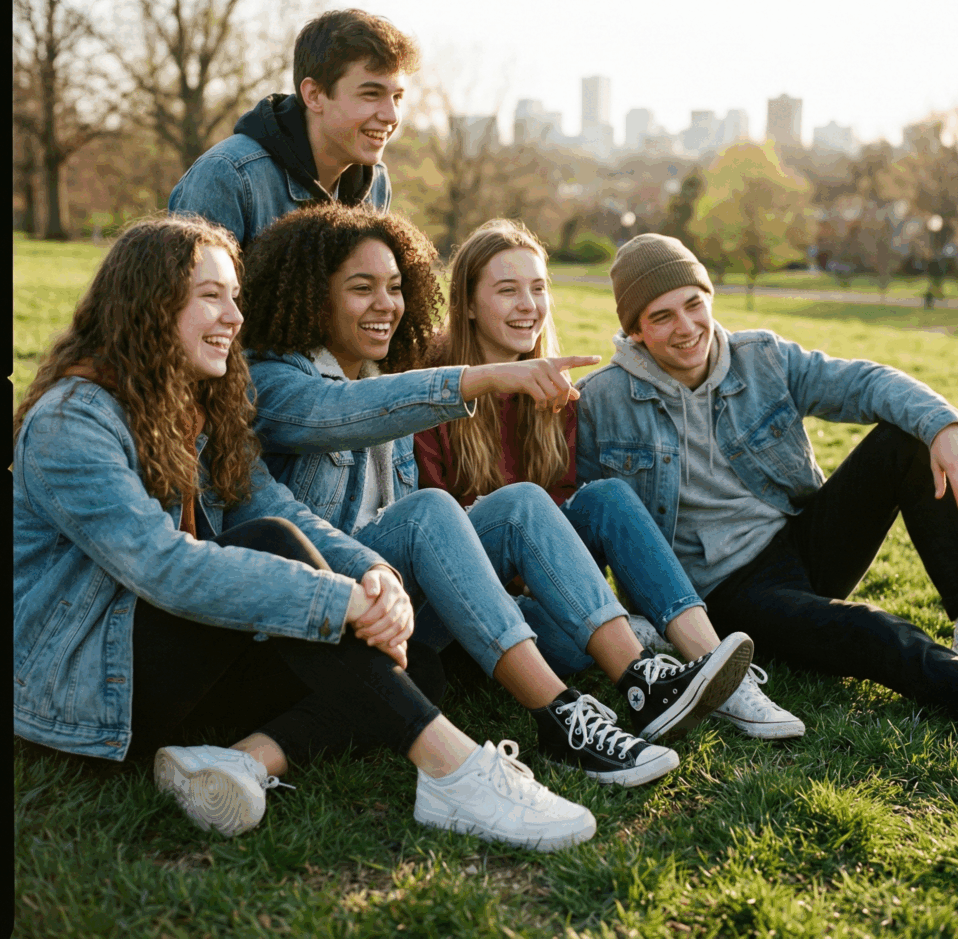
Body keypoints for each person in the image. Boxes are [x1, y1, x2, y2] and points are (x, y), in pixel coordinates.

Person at [13, 213, 601, 852]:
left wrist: (374, 575)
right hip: (86, 693)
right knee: (271, 547)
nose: (235, 318)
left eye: (235, 298)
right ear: (148, 304)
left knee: (416, 671)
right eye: (211, 296)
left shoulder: (194, 408)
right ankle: (455, 772)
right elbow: (166, 568)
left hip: (172, 682)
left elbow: (277, 504)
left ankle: (239, 762)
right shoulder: (73, 421)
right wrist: (337, 599)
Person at [241, 205, 753, 786]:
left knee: (524, 503)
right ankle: (562, 719)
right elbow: (344, 417)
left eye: (394, 287)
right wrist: (486, 377)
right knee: (431, 511)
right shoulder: (277, 381)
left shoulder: (380, 371)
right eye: (362, 289)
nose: (386, 304)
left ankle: (642, 682)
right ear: (313, 297)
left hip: (408, 605)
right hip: (334, 603)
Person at [575, 232, 958, 727]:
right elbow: (590, 523)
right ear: (634, 331)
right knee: (873, 631)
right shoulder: (599, 401)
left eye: (694, 305)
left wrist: (943, 425)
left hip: (803, 543)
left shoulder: (761, 357)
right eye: (662, 317)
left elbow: (864, 382)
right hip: (724, 596)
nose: (687, 327)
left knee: (908, 440)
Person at [415, 219, 803, 739]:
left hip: (541, 573)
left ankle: (720, 673)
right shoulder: (431, 385)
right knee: (570, 635)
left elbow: (559, 497)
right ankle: (633, 640)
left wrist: (546, 561)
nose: (528, 304)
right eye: (507, 290)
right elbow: (429, 510)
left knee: (607, 497)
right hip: (477, 591)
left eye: (538, 288)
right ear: (465, 303)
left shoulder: (553, 393)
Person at [169, 9, 416, 247]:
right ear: (314, 95)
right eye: (371, 94)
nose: (391, 115)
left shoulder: (377, 182)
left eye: (397, 97)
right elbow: (189, 289)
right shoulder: (226, 177)